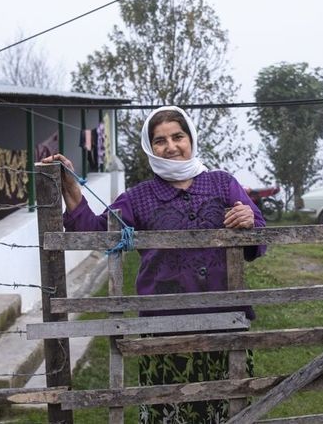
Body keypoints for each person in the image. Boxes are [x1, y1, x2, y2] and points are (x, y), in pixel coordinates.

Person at [42, 105, 265, 423]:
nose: (171, 146)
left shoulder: (222, 184)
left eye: (178, 136)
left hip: (225, 321)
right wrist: (71, 189)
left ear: (191, 139)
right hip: (163, 327)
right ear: (150, 148)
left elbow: (258, 234)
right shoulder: (138, 198)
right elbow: (97, 233)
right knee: (170, 411)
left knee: (231, 410)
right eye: (160, 140)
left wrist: (248, 219)